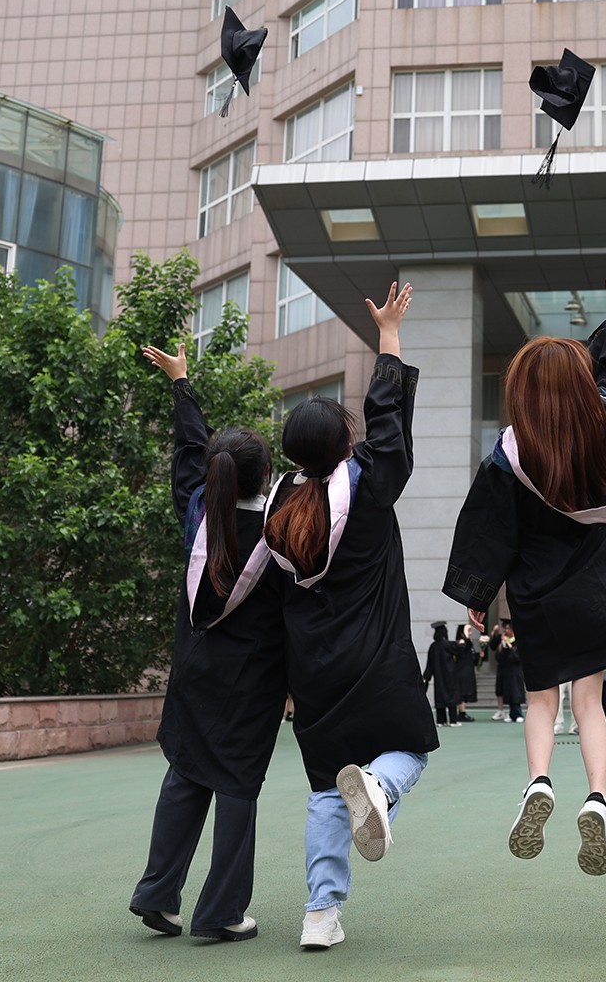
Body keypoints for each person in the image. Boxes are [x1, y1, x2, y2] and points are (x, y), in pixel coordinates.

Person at [445, 274, 606, 876]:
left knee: (540, 699)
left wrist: (478, 593)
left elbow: (489, 527)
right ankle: (598, 797)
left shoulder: (512, 454)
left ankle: (538, 782)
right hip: (599, 588)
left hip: (539, 593)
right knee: (589, 701)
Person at [262, 281, 438, 951]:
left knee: (323, 792)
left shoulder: (280, 508)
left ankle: (320, 915)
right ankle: (380, 788)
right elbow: (388, 427)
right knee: (409, 751)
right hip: (376, 656)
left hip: (311, 670)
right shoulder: (365, 489)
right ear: (345, 442)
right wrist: (388, 336)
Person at [128, 342, 286, 943]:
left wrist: (182, 383)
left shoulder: (199, 514)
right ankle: (220, 910)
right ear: (265, 476)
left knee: (187, 775)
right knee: (237, 786)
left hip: (194, 672)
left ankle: (157, 893)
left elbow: (189, 454)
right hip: (252, 682)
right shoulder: (280, 534)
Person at [425, 622, 459, 726]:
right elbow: (460, 651)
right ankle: (453, 720)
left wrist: (426, 677)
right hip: (450, 676)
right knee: (451, 696)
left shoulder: (433, 647)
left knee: (440, 697)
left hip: (438, 677)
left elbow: (429, 665)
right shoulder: (448, 645)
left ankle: (441, 720)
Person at [494, 620, 526, 724]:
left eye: (508, 628)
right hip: (506, 671)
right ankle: (512, 714)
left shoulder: (518, 641)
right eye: (505, 628)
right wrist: (503, 646)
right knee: (508, 692)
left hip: (516, 671)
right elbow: (498, 658)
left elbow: (518, 657)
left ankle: (518, 714)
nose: (506, 631)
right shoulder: (503, 643)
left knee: (515, 692)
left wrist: (509, 646)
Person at [453, 624, 480, 722]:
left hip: (468, 671)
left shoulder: (469, 643)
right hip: (461, 671)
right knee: (462, 692)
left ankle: (462, 711)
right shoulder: (461, 643)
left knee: (464, 692)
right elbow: (464, 648)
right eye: (469, 631)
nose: (470, 633)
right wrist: (465, 635)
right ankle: (461, 712)